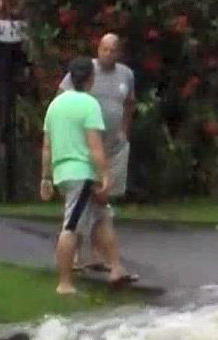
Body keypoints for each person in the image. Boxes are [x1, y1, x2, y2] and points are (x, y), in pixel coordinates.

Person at [40, 57, 131, 295]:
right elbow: (95, 146)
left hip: (63, 172)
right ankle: (64, 283)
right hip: (82, 173)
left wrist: (45, 178)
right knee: (71, 226)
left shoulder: (55, 105)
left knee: (102, 216)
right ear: (91, 79)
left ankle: (116, 268)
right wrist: (105, 174)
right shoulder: (88, 104)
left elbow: (46, 147)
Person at [59, 33, 136, 271]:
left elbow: (130, 104)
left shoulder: (126, 74)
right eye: (104, 49)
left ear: (119, 52)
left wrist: (124, 130)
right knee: (84, 202)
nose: (107, 54)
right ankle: (74, 255)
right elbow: (62, 97)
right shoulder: (85, 72)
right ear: (98, 49)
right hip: (87, 148)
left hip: (113, 146)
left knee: (102, 201)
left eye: (113, 50)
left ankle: (95, 255)